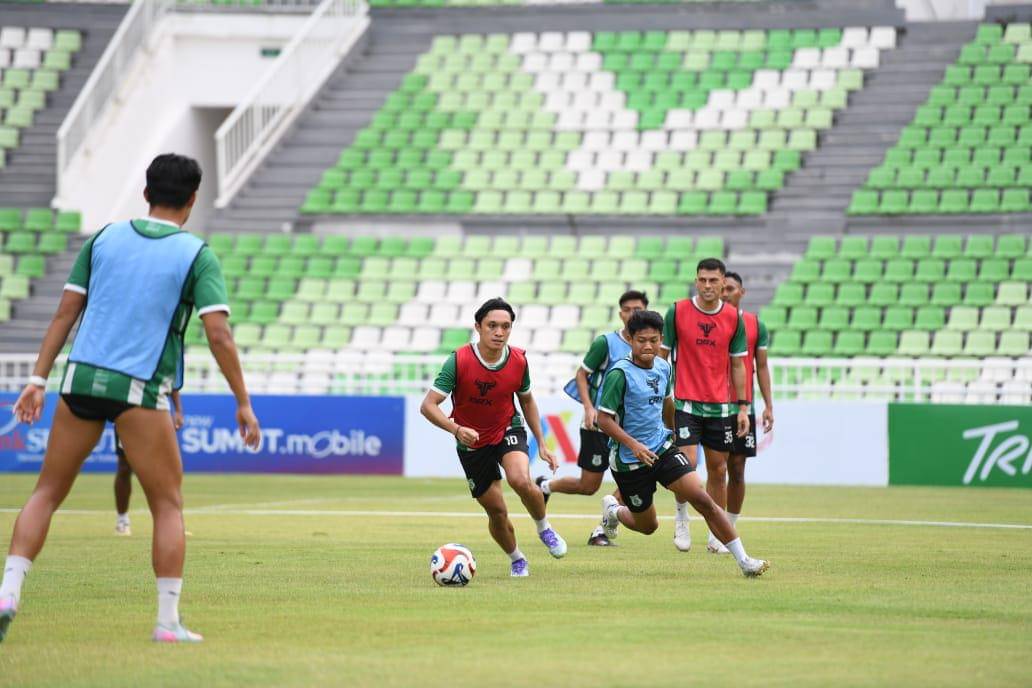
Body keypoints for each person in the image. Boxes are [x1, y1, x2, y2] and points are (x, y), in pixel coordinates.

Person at [0, 154, 261, 644]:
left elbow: (64, 315)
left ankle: (7, 591)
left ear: (146, 193)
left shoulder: (102, 238)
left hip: (79, 380)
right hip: (138, 388)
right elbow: (219, 335)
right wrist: (242, 401)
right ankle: (167, 622)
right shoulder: (196, 254)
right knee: (167, 505)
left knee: (46, 492)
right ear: (192, 200)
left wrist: (37, 380)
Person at [595, 310, 768, 577]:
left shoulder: (664, 367)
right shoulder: (619, 374)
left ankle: (745, 561)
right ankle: (614, 511)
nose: (648, 346)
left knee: (703, 498)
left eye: (653, 340)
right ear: (630, 339)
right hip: (629, 460)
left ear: (661, 338)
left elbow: (666, 403)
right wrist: (634, 446)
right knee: (647, 525)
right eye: (641, 340)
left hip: (661, 448)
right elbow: (603, 420)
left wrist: (674, 432)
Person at [420, 298, 567, 577]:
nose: (499, 332)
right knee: (497, 511)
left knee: (520, 479)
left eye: (505, 326)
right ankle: (517, 559)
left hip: (507, 428)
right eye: (492, 326)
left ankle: (544, 528)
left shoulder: (518, 360)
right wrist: (456, 430)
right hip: (470, 442)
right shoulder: (459, 360)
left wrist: (543, 445)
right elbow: (428, 405)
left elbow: (527, 401)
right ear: (478, 327)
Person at [540, 290, 648, 546]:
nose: (633, 313)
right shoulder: (606, 343)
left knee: (640, 475)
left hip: (631, 427)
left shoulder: (648, 346)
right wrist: (589, 408)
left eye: (638, 309)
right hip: (599, 423)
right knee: (589, 486)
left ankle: (601, 529)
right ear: (621, 313)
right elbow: (581, 374)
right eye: (628, 309)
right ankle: (545, 486)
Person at [660, 257, 750, 555]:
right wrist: (659, 396)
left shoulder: (734, 318)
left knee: (719, 469)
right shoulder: (678, 311)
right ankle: (681, 518)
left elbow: (738, 365)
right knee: (687, 465)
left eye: (713, 280)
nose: (708, 285)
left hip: (720, 408)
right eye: (702, 280)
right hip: (685, 402)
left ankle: (716, 534)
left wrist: (742, 406)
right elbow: (663, 356)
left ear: (723, 283)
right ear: (696, 281)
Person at [722, 272, 774, 527]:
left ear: (741, 292)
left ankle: (729, 525)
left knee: (738, 468)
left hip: (744, 405)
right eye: (723, 289)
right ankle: (715, 530)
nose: (725, 293)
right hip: (714, 405)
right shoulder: (709, 323)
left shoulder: (756, 325)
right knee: (716, 468)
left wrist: (768, 405)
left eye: (730, 288)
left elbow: (761, 367)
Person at [114, 391, 184, 537]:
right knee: (125, 467)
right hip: (128, 411)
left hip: (158, 412)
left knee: (166, 469)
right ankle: (122, 520)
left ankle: (174, 523)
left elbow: (173, 381)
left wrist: (178, 410)